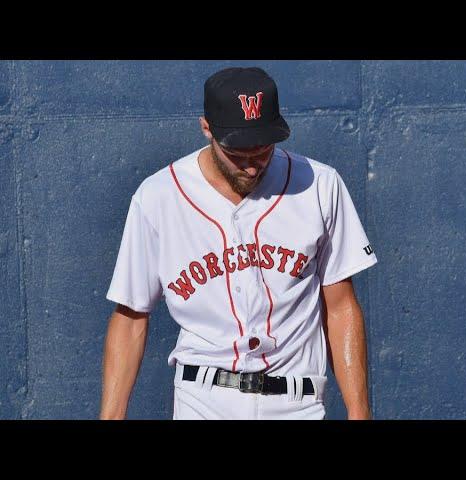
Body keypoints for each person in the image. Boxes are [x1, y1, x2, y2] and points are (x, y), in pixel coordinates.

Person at [100, 66, 378, 420]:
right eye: (238, 153)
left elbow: (340, 306)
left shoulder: (320, 185)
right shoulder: (157, 197)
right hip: (203, 400)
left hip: (298, 402)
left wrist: (359, 411)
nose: (251, 167)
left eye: (262, 151)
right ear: (207, 129)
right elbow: (130, 315)